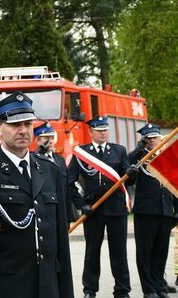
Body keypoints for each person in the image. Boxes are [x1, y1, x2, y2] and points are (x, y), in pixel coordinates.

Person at [0, 92, 73, 298]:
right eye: (15, 124)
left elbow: (60, 242)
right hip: (6, 286)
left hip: (47, 285)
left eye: (28, 124)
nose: (23, 130)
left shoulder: (49, 170)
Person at [68, 115, 131, 298]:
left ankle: (122, 290)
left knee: (119, 252)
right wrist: (81, 205)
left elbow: (129, 180)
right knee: (92, 252)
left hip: (116, 209)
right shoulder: (82, 153)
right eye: (99, 130)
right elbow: (69, 182)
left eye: (105, 129)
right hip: (93, 210)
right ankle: (89, 290)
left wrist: (131, 173)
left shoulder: (119, 151)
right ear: (91, 132)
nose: (103, 133)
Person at [128, 123, 177, 298]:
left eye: (154, 137)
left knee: (160, 252)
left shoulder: (167, 157)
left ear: (160, 138)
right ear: (144, 141)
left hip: (165, 210)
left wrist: (176, 210)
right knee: (145, 252)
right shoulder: (139, 157)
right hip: (145, 211)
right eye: (148, 139)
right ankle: (148, 289)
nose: (152, 141)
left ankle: (159, 286)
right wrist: (137, 149)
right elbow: (126, 172)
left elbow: (173, 184)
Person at [34, 121, 75, 222]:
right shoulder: (33, 159)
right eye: (46, 138)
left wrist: (68, 216)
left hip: (60, 209)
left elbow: (66, 189)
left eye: (52, 138)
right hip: (44, 211)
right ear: (37, 140)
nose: (50, 141)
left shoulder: (60, 160)